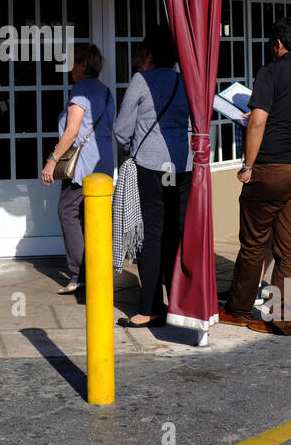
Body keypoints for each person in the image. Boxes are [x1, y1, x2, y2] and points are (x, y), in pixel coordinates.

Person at [221, 18, 291, 335]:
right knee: (287, 247)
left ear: (278, 44)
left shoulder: (270, 72)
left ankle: (239, 309)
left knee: (254, 244)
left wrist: (248, 166)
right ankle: (281, 316)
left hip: (271, 170)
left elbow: (257, 123)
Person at [113, 26, 191, 328]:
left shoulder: (141, 81)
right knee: (175, 233)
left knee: (151, 234)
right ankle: (179, 301)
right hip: (182, 166)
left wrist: (131, 148)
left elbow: (121, 129)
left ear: (149, 54)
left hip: (150, 166)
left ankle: (150, 308)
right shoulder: (185, 81)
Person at [42, 43, 115, 294]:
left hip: (82, 165)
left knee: (67, 211)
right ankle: (96, 271)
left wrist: (52, 160)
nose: (69, 67)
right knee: (90, 217)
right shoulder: (105, 91)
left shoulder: (81, 89)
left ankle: (79, 274)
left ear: (84, 64)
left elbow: (72, 132)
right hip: (103, 161)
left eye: (73, 62)